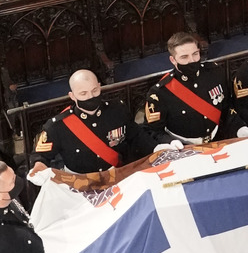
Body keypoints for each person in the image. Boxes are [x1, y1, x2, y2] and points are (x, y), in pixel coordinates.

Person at [30, 69, 163, 174]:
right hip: (81, 185)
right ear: (72, 96)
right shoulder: (58, 125)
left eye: (94, 90)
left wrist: (157, 147)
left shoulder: (117, 110)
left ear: (100, 87)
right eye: (83, 94)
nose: (90, 97)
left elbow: (136, 135)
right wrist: (39, 165)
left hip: (116, 177)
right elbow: (41, 155)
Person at [144, 32, 248, 144]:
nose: (192, 60)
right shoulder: (160, 92)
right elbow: (153, 131)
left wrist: (239, 128)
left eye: (195, 54)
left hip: (218, 140)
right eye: (184, 57)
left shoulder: (215, 73)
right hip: (184, 148)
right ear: (173, 60)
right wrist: (170, 142)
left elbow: (226, 108)